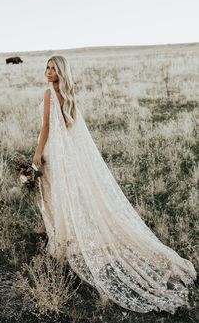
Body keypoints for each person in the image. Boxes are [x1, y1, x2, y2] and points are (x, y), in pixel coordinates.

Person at [32, 55, 197, 314]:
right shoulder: (69, 94)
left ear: (62, 71)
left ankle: (60, 238)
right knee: (63, 194)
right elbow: (71, 127)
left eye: (54, 68)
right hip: (67, 154)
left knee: (55, 194)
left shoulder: (49, 94)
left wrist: (37, 154)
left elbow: (45, 127)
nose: (49, 72)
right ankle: (61, 235)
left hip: (53, 151)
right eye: (48, 67)